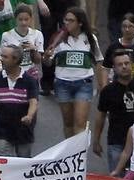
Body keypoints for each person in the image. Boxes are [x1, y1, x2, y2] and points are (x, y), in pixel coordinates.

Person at [49, 7, 105, 139]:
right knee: (68, 124)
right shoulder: (58, 38)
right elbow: (47, 63)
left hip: (83, 83)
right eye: (65, 20)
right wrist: (46, 57)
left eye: (71, 20)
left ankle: (79, 154)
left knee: (80, 123)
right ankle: (69, 153)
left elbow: (98, 61)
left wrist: (102, 84)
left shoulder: (90, 39)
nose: (67, 23)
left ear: (80, 23)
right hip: (63, 83)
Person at [0, 43, 39, 157]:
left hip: (23, 130)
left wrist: (29, 116)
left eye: (5, 57)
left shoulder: (29, 80)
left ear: (15, 60)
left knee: (23, 162)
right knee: (4, 163)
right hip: (2, 130)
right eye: (1, 56)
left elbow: (33, 101)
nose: (1, 59)